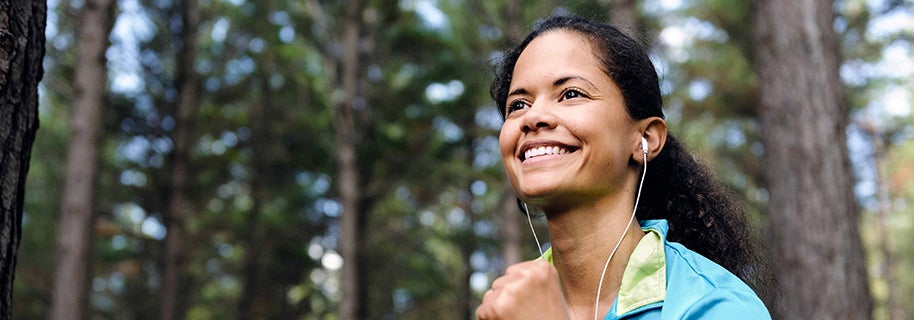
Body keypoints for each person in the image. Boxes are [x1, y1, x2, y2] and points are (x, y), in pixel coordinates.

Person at [476, 15, 772, 320]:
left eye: (571, 94)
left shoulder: (716, 305)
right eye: (518, 105)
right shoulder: (507, 304)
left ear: (644, 138)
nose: (532, 117)